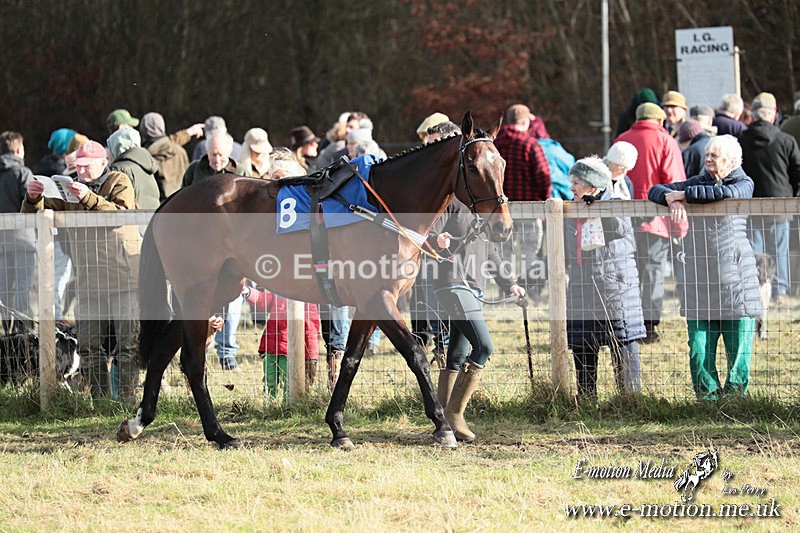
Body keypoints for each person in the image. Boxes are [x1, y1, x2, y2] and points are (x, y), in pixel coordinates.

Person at [22, 140, 142, 400]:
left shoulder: (119, 181)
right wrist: (33, 198)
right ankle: (100, 401)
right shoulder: (68, 189)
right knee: (88, 347)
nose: (82, 170)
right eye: (79, 166)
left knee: (128, 345)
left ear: (103, 163)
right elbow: (33, 218)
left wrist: (87, 197)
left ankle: (127, 401)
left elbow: (121, 214)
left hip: (124, 278)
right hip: (88, 281)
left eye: (88, 165)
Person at [648, 135, 762, 399]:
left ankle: (735, 399)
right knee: (699, 347)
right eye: (707, 154)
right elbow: (655, 190)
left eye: (714, 155)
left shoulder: (744, 183)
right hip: (699, 278)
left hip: (737, 279)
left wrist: (683, 195)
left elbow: (724, 194)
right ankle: (707, 397)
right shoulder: (698, 183)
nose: (707, 159)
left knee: (739, 347)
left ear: (731, 161)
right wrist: (671, 198)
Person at [431, 200, 526, 442]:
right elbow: (430, 233)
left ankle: (442, 420)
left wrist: (510, 284)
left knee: (457, 355)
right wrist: (438, 240)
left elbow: (490, 253)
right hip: (452, 284)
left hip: (475, 290)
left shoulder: (484, 211)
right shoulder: (452, 204)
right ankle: (454, 414)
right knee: (484, 347)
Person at [566, 156, 644, 401]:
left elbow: (620, 228)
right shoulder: (570, 208)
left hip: (615, 286)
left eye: (576, 182)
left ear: (592, 185)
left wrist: (598, 207)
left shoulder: (616, 203)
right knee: (583, 343)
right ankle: (586, 398)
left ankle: (630, 398)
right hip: (582, 284)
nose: (571, 187)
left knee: (622, 340)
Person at [616, 102, 687, 343]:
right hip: (656, 219)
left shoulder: (621, 140)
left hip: (623, 218)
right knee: (653, 271)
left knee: (627, 271)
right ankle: (648, 325)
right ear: (659, 120)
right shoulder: (666, 141)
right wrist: (680, 227)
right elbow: (675, 183)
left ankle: (625, 322)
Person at [182, 131, 246, 370]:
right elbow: (182, 200)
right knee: (202, 297)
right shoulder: (194, 171)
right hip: (200, 244)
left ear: (229, 153)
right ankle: (201, 352)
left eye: (220, 155)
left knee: (232, 297)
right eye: (212, 155)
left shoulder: (240, 171)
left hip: (231, 245)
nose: (216, 159)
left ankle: (228, 354)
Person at [739, 92, 800, 305]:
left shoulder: (741, 141)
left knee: (754, 249)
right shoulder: (786, 140)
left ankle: (754, 288)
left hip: (749, 203)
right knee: (779, 249)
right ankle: (779, 291)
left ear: (753, 115)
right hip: (780, 204)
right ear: (773, 114)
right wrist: (793, 194)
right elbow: (797, 171)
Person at [493, 103, 552, 298]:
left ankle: (506, 291)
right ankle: (529, 291)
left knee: (504, 251)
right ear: (526, 121)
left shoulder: (495, 144)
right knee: (530, 252)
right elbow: (543, 176)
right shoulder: (530, 144)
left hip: (502, 208)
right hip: (530, 207)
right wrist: (545, 199)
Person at [241, 286, 321, 399]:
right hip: (271, 347)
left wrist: (311, 354)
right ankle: (268, 403)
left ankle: (288, 405)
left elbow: (311, 330)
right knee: (269, 380)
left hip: (290, 353)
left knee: (289, 381)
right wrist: (248, 292)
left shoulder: (307, 300)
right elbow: (264, 300)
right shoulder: (280, 292)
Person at [0, 131, 36, 332]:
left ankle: (7, 334)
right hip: (24, 238)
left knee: (4, 290)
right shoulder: (23, 173)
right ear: (18, 150)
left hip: (1, 241)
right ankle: (25, 334)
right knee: (23, 288)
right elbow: (32, 202)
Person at [139, 112, 203, 199]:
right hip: (183, 201)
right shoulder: (180, 151)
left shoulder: (145, 157)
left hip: (161, 205)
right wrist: (189, 132)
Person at [107, 127, 160, 210]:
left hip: (136, 216)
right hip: (154, 215)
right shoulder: (146, 164)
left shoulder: (119, 169)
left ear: (116, 148)